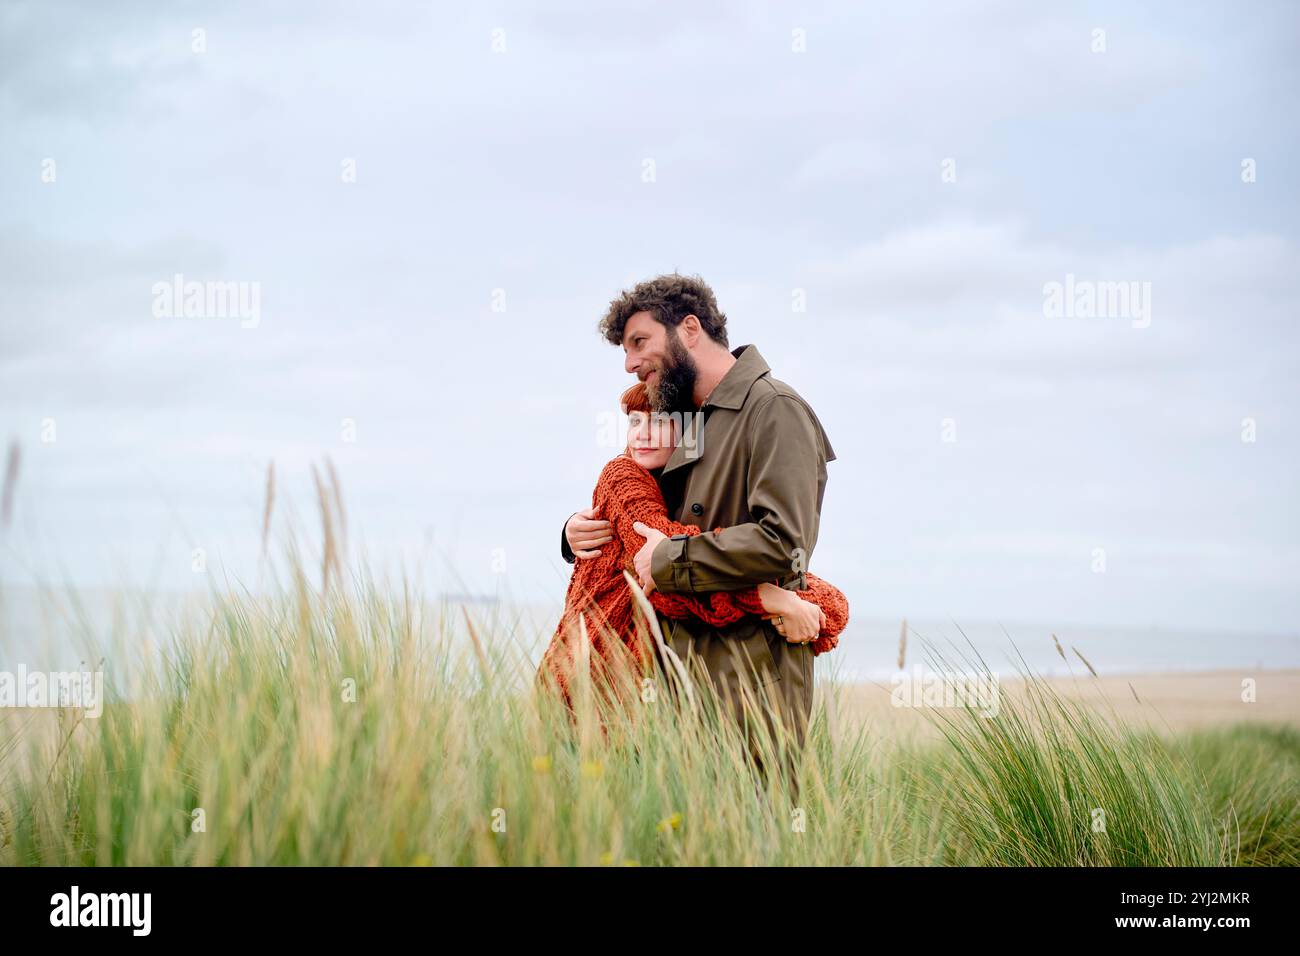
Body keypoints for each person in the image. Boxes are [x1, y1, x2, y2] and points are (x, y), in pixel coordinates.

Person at [558, 273, 839, 790]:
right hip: (673, 693)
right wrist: (575, 531)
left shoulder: (774, 409)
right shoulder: (687, 418)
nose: (630, 362)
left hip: (749, 692)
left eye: (640, 342)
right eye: (625, 350)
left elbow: (784, 544)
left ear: (689, 329)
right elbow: (645, 520)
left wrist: (669, 562)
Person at [539, 381, 848, 719]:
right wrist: (775, 599)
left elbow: (707, 560)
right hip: (587, 676)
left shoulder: (680, 490)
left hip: (635, 689)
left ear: (688, 431)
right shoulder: (622, 474)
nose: (641, 434)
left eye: (658, 421)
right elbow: (670, 573)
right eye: (634, 421)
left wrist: (812, 601)